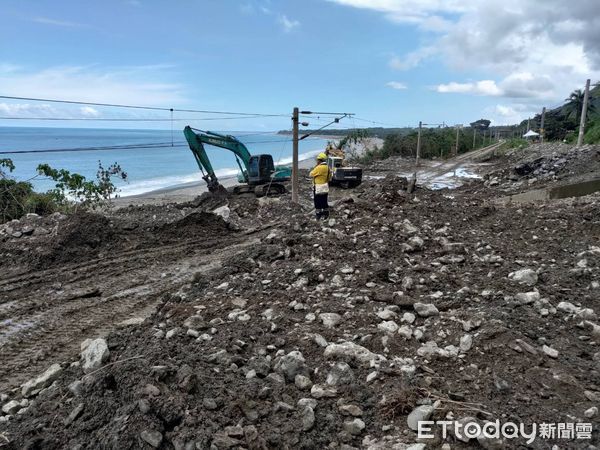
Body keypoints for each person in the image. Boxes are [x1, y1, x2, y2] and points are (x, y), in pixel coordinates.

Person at [309, 152, 330, 220]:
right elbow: (329, 177)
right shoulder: (327, 167)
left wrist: (316, 167)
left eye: (318, 160)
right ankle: (326, 213)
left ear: (320, 160)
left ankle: (318, 214)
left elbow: (311, 174)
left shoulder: (319, 168)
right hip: (325, 186)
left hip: (318, 187)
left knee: (317, 200)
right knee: (324, 200)